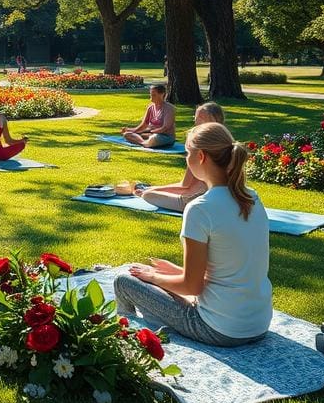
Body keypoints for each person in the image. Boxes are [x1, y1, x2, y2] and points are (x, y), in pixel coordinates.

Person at [113, 123, 272, 347]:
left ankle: (125, 344)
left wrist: (153, 278)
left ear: (202, 157)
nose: (186, 158)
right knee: (157, 276)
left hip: (220, 329)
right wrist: (175, 272)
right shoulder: (252, 197)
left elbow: (192, 287)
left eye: (188, 153)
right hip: (258, 324)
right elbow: (233, 271)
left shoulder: (200, 209)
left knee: (123, 282)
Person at [136, 102, 225, 211]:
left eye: (201, 119)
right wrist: (153, 188)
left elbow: (186, 188)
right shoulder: (226, 141)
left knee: (148, 195)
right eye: (196, 118)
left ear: (214, 120)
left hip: (198, 202)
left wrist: (149, 190)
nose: (196, 122)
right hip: (221, 199)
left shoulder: (199, 146)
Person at [120, 84, 176, 148]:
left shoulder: (169, 108)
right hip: (150, 134)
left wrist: (149, 131)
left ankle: (146, 142)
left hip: (164, 136)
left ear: (162, 94)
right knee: (126, 134)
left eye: (154, 95)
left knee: (154, 137)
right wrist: (131, 130)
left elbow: (165, 128)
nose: (151, 97)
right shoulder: (150, 107)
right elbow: (144, 124)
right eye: (150, 94)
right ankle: (144, 143)